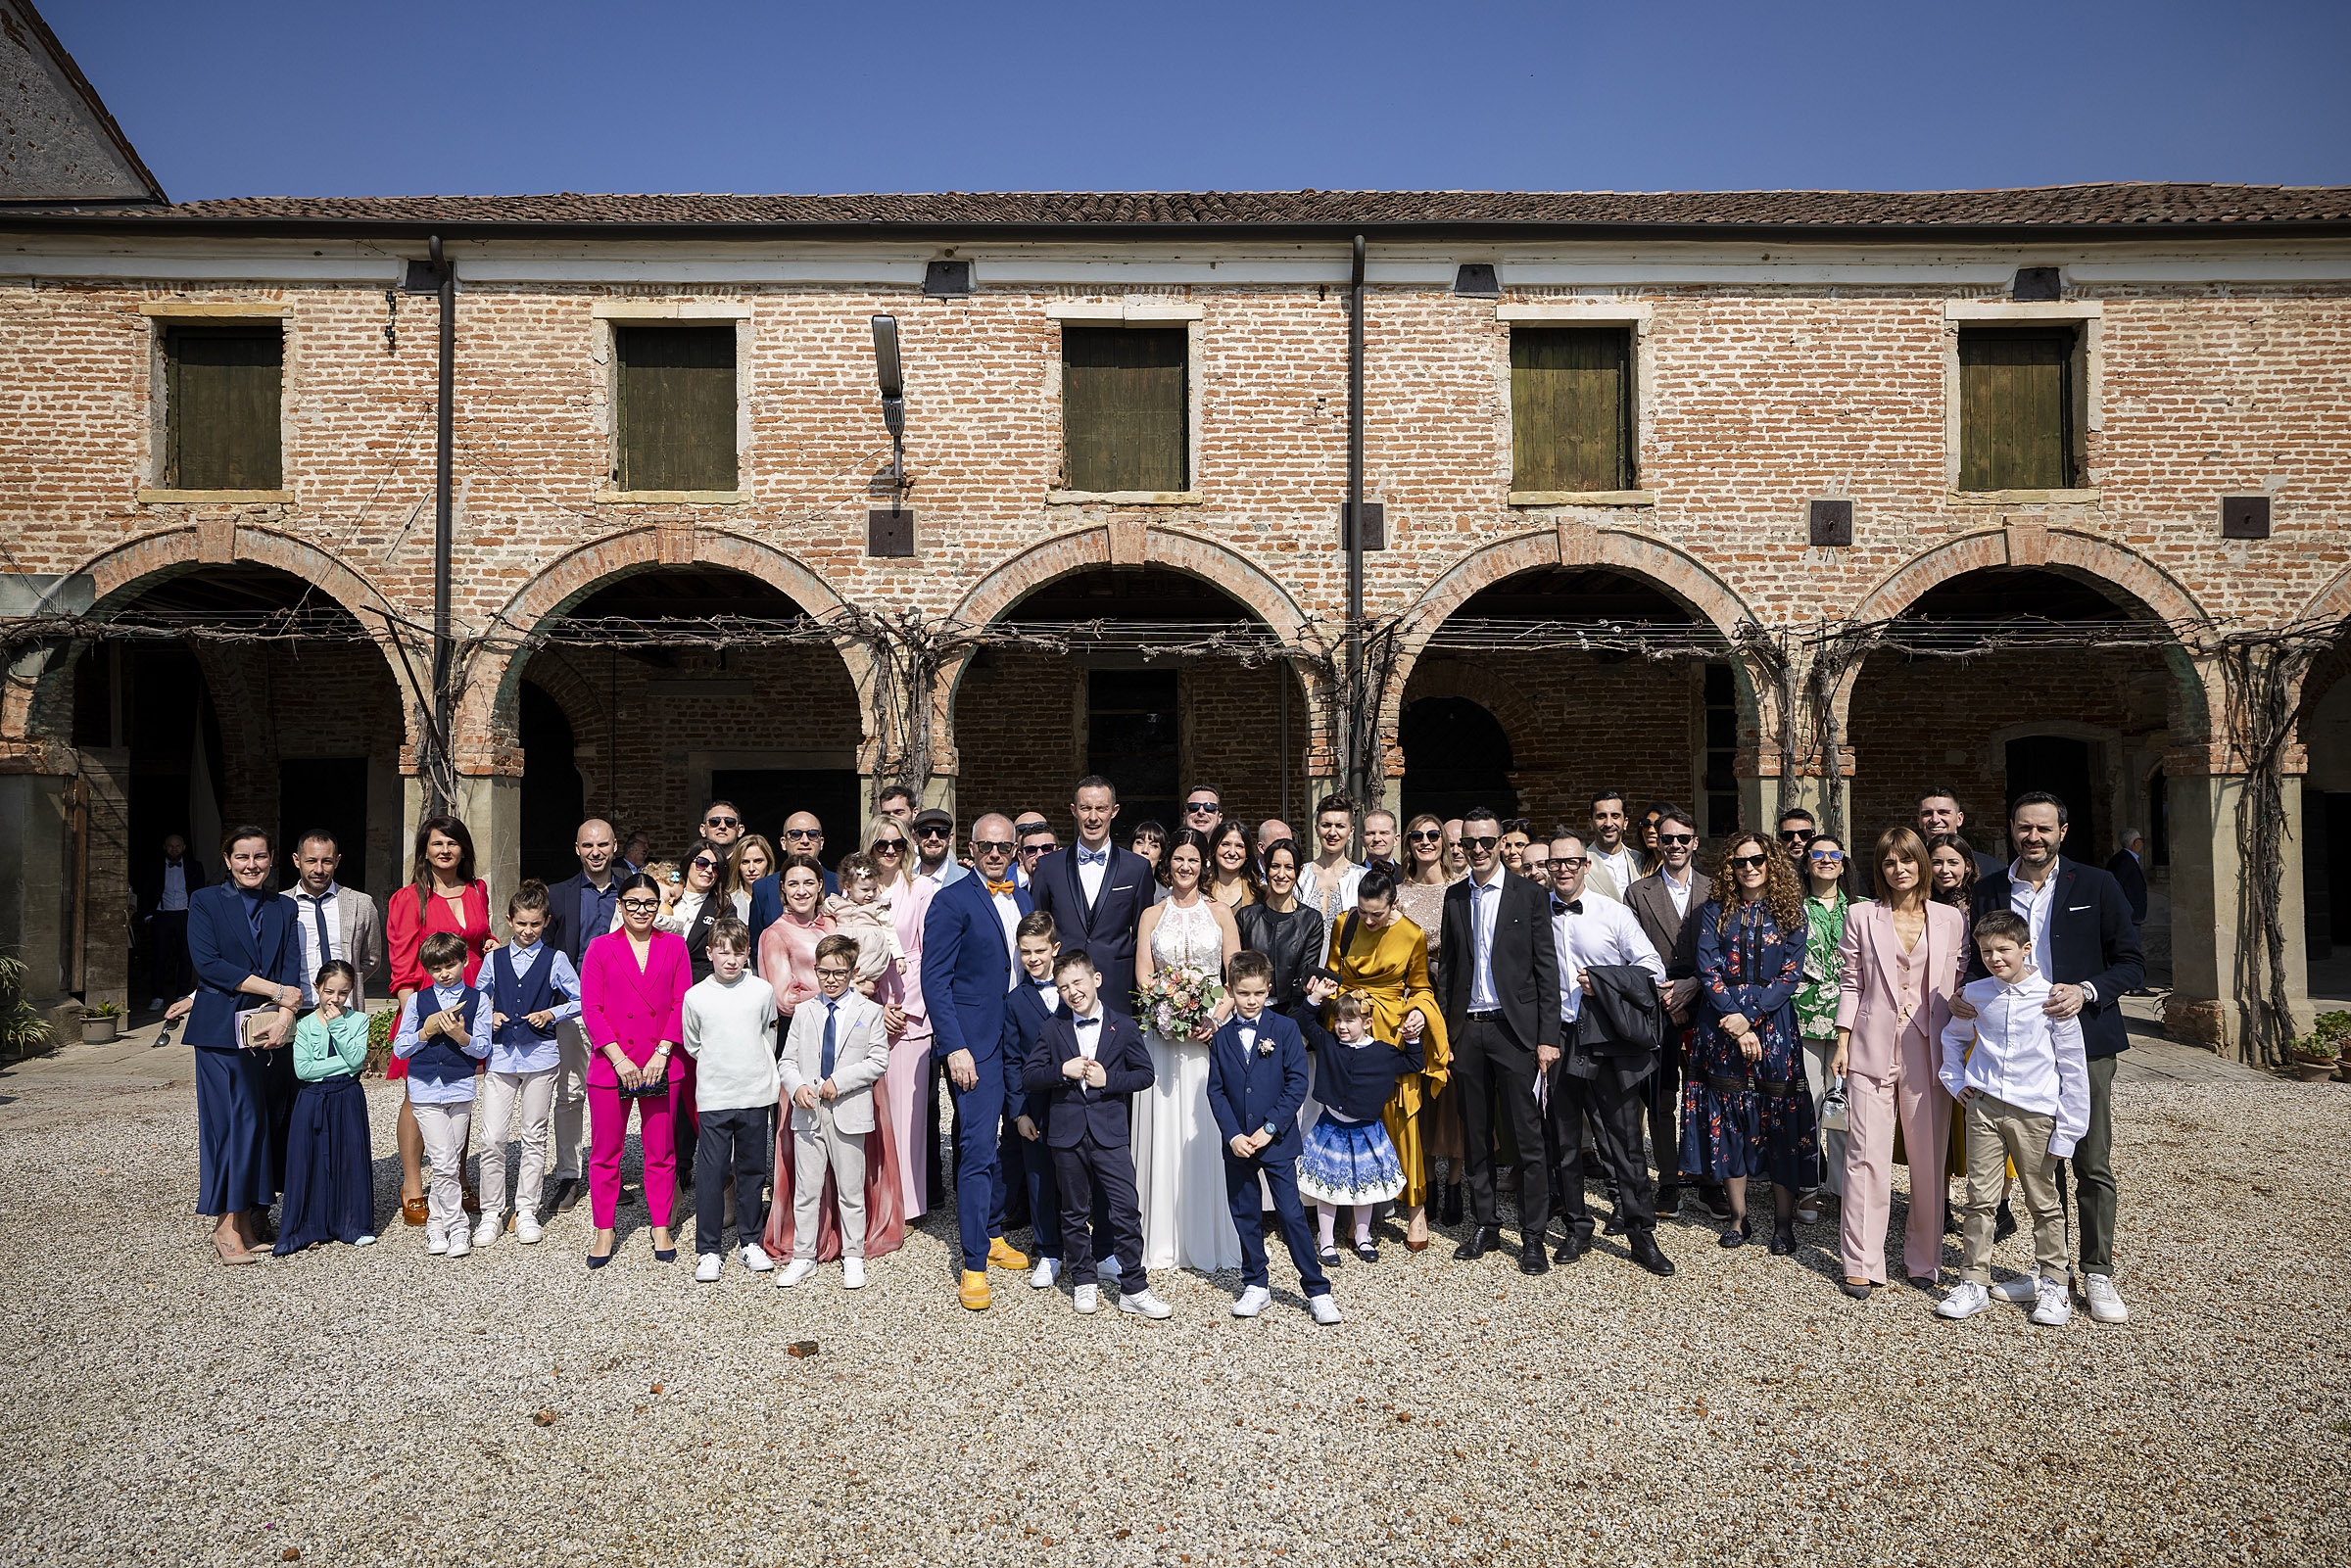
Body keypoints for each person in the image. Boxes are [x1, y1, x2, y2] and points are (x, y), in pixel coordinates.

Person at [1956, 791, 2143, 1324]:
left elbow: (2131, 964)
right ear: (2011, 830)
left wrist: (2086, 989)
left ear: (2063, 830)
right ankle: (2049, 1276)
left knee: (2091, 1158)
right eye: (2023, 828)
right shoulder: (1992, 888)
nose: (2033, 837)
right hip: (2019, 1052)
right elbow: (1981, 960)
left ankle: (2098, 1272)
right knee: (2040, 1164)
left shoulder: (2097, 884)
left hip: (2085, 1038)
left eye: (2043, 828)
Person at [1935, 910, 2089, 1327]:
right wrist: (1954, 1079)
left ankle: (2054, 1282)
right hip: (1984, 1106)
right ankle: (1973, 1282)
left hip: (2035, 1113)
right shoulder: (1977, 994)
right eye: (1986, 951)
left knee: (2044, 1201)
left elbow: (2073, 1067)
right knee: (1980, 1198)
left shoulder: (2051, 998)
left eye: (2003, 950)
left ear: (2025, 949)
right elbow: (1955, 1036)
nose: (1994, 958)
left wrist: (2068, 1131)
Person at [1832, 827, 1968, 1298]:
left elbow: (1962, 978)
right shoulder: (1861, 915)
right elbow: (1851, 980)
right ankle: (1862, 1259)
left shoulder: (1951, 919)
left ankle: (1924, 1258)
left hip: (1929, 1048)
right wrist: (1843, 1039)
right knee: (1865, 1157)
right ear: (1881, 869)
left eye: (1907, 860)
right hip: (1870, 1044)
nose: (1899, 869)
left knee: (1929, 1160)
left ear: (1922, 864)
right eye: (1889, 862)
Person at [1540, 833, 1676, 1276]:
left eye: (1572, 862)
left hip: (1605, 1039)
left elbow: (1652, 970)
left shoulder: (1614, 913)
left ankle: (1641, 1233)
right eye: (1555, 863)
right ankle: (1577, 1226)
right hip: (1554, 1038)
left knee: (1623, 1141)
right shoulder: (1532, 917)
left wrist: (1603, 981)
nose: (1563, 870)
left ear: (1585, 865)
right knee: (1563, 1142)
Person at [1683, 832, 1818, 1259]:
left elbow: (1791, 975)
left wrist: (1752, 1017)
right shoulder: (1713, 912)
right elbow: (1708, 969)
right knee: (1729, 1118)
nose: (1749, 868)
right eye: (1740, 862)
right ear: (1730, 868)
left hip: (1773, 1025)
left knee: (1777, 1117)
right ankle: (1739, 1217)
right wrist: (1738, 1025)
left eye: (1758, 860)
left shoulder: (1791, 912)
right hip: (1722, 1026)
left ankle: (1782, 1223)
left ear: (1771, 863)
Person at [920, 814, 1034, 1309]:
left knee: (1012, 1140)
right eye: (986, 846)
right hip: (976, 1044)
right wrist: (954, 1046)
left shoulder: (1023, 897)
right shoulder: (951, 901)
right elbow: (934, 980)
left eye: (1004, 846)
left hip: (1018, 1040)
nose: (995, 854)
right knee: (976, 1145)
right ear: (970, 848)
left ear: (1014, 849)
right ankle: (972, 1263)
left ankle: (992, 1231)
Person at [1439, 808, 1560, 1271]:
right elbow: (1448, 971)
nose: (1479, 850)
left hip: (1517, 1032)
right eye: (1470, 842)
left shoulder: (1529, 894)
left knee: (1527, 1135)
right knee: (1475, 1134)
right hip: (1468, 1030)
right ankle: (1486, 1223)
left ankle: (1532, 1235)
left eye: (1487, 842)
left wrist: (1546, 1037)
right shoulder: (1454, 897)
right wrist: (1448, 1036)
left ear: (1499, 843)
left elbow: (1546, 971)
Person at [1021, 949, 1162, 1318]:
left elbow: (1145, 1075)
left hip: (1110, 1132)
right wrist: (1061, 1070)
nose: (1072, 992)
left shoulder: (1125, 1026)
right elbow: (1029, 1076)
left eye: (1077, 982)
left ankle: (1134, 1286)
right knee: (1073, 1211)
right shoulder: (1052, 1028)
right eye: (1063, 986)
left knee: (1126, 1209)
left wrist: (1108, 1080)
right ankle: (1084, 1280)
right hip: (1066, 1134)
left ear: (1096, 980)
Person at [187, 826, 301, 1263]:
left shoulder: (284, 907)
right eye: (242, 857)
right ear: (227, 859)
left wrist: (286, 1017)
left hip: (267, 1033)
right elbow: (209, 964)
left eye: (259, 857)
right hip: (219, 1035)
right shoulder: (205, 902)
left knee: (256, 1127)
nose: (251, 865)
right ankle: (224, 1226)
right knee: (231, 1127)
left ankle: (246, 1220)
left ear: (272, 859)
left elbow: (292, 967)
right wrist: (276, 992)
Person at [1131, 828, 1243, 1272]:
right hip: (1162, 1038)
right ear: (1167, 864)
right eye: (1178, 859)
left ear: (1205, 866)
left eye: (1194, 860)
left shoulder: (1221, 914)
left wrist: (1214, 1017)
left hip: (1208, 1039)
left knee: (1207, 1126)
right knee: (1162, 1126)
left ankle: (1208, 1230)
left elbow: (1235, 977)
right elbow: (1143, 976)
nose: (1185, 867)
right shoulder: (1151, 915)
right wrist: (1165, 1009)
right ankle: (1161, 1235)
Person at [1208, 951, 1341, 1323]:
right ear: (1231, 990)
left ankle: (1316, 1288)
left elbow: (1298, 1083)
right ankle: (1256, 1283)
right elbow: (1215, 1092)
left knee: (1291, 1213)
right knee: (1245, 1213)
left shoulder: (1283, 1030)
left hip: (1277, 1142)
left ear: (1268, 989)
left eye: (1258, 994)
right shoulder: (1221, 1040)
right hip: (1237, 1145)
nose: (1251, 1001)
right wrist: (1233, 1135)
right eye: (1243, 993)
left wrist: (1270, 1128)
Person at [1328, 866, 1450, 1251]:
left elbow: (1420, 987)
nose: (1368, 919)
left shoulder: (1412, 934)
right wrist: (1343, 1011)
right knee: (1354, 1119)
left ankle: (1416, 1209)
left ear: (1393, 904)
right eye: (1363, 911)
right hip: (1352, 1029)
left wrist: (1418, 1011)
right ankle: (1354, 1211)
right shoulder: (1344, 923)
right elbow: (1333, 977)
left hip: (1394, 1033)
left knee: (1402, 1121)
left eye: (1376, 914)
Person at [386, 814, 494, 1229]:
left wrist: (488, 944)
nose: (445, 850)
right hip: (426, 1005)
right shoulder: (409, 898)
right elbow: (401, 964)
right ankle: (413, 1186)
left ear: (463, 848)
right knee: (420, 1096)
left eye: (452, 843)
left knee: (459, 1092)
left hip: (469, 1001)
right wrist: (420, 1019)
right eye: (436, 844)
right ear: (424, 851)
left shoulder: (477, 890)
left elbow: (477, 938)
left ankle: (458, 1176)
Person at [579, 872, 692, 1268]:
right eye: (632, 903)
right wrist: (619, 1058)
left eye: (648, 903)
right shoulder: (599, 948)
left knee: (660, 1149)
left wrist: (663, 1051)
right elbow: (590, 1008)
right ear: (620, 906)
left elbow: (682, 1002)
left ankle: (660, 1223)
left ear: (658, 906)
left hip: (661, 1061)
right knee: (606, 1151)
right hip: (613, 1064)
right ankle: (604, 1228)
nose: (641, 910)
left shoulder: (674, 946)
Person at [774, 933, 893, 1290]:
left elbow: (877, 1060)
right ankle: (803, 1256)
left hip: (848, 1108)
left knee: (850, 1188)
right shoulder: (805, 1010)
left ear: (853, 972)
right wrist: (796, 1087)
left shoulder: (869, 1012)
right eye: (823, 972)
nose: (830, 979)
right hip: (809, 1111)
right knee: (807, 1188)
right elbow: (788, 1059)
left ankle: (853, 1255)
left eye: (839, 973)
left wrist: (839, 1082)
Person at [474, 880, 579, 1247]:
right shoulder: (493, 959)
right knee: (493, 1137)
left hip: (540, 1056)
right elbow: (477, 997)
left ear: (545, 922)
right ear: (509, 921)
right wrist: (487, 1015)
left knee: (534, 1135)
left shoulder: (556, 959)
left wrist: (551, 1012)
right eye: (521, 924)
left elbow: (580, 999)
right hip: (502, 1056)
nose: (528, 931)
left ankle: (527, 1210)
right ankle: (491, 1212)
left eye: (535, 924)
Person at [683, 916, 779, 1281]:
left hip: (754, 1092)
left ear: (747, 953)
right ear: (709, 952)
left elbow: (767, 1033)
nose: (730, 959)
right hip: (715, 1095)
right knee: (712, 1172)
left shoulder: (762, 991)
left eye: (737, 952)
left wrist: (756, 1064)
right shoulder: (696, 996)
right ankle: (708, 1249)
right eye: (722, 951)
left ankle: (750, 1241)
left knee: (753, 1169)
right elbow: (693, 1043)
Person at [1624, 804, 1706, 1220]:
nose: (1674, 845)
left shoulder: (1716, 889)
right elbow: (1631, 952)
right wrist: (1665, 996)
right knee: (1659, 1096)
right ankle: (1669, 1180)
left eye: (1682, 838)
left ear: (1694, 842)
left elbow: (1727, 950)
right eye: (1667, 837)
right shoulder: (1638, 893)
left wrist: (1694, 986)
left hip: (1708, 1002)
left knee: (1708, 1093)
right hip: (1657, 1005)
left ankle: (1710, 1181)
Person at [1296, 988, 1417, 1270]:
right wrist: (1316, 997)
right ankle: (1325, 1240)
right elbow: (1305, 1020)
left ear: (1367, 1023)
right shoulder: (1328, 1044)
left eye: (1349, 1021)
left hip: (1366, 1132)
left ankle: (1363, 1236)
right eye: (1338, 1020)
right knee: (1327, 1186)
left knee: (1365, 1187)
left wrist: (1412, 1039)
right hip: (1331, 1129)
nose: (1341, 1026)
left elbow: (1413, 1063)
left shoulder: (1383, 1053)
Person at [393, 930, 495, 1258]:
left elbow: (484, 1046)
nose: (444, 973)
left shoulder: (479, 999)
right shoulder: (419, 1000)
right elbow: (400, 1046)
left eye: (450, 965)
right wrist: (426, 1031)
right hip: (423, 1089)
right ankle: (459, 1227)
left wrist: (461, 1036)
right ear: (427, 970)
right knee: (443, 1160)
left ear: (464, 962)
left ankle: (437, 1224)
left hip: (460, 1086)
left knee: (448, 1161)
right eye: (436, 969)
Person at [543, 817, 622, 1218]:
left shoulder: (634, 890)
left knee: (619, 1093)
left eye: (603, 845)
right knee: (571, 1093)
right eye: (588, 845)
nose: (595, 852)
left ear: (614, 846)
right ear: (577, 849)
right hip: (574, 1009)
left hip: (622, 1009)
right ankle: (570, 1174)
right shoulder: (558, 896)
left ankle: (611, 1173)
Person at [1031, 776, 1156, 1012]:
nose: (1093, 817)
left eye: (1101, 809)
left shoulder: (1137, 869)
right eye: (1085, 808)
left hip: (1117, 989)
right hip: (1062, 991)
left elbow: (1142, 936)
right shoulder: (1048, 867)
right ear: (1074, 810)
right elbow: (1040, 930)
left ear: (1114, 811)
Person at [274, 959, 375, 1254]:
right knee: (311, 1160)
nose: (335, 999)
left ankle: (352, 1224)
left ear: (351, 993)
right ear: (317, 988)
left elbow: (356, 1062)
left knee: (349, 1158)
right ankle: (310, 1225)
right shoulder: (304, 1024)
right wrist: (343, 1064)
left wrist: (338, 1027)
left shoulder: (358, 1021)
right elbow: (304, 1070)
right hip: (312, 1099)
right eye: (329, 991)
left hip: (347, 1097)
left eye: (343, 993)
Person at [863, 816, 936, 1219]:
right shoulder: (856, 890)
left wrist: (905, 1010)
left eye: (896, 844)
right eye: (881, 845)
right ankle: (873, 1200)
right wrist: (875, 1009)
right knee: (870, 1112)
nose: (890, 851)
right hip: (868, 1005)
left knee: (908, 1115)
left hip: (911, 1010)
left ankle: (907, 1205)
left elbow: (929, 955)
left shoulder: (920, 888)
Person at [1392, 812, 1463, 1222]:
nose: (1426, 841)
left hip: (1453, 995)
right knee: (1417, 1086)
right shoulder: (1399, 894)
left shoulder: (1460, 890)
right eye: (1417, 835)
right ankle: (1426, 1181)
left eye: (1433, 835)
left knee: (1452, 1089)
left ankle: (1454, 1182)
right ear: (1408, 843)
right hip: (1413, 996)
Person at [1003, 912, 1071, 1289]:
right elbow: (1012, 1060)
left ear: (1054, 949)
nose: (1033, 958)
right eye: (1025, 951)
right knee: (1040, 1176)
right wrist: (1019, 1112)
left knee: (1076, 1177)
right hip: (1036, 1105)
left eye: (1040, 950)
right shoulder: (1015, 1001)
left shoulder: (1072, 991)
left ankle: (1086, 1247)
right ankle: (1047, 1250)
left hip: (1076, 1102)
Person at [1794, 834, 1852, 1219]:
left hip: (1851, 1019)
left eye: (1834, 854)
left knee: (1848, 1107)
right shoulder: (1792, 909)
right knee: (1810, 1105)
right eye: (1819, 854)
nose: (1827, 860)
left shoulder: (1863, 909)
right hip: (1804, 1017)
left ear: (1844, 863)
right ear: (1807, 861)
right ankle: (1807, 1186)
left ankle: (1846, 1190)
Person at [282, 829, 382, 1008]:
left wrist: (344, 986)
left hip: (346, 1008)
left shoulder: (361, 904)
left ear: (337, 861)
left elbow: (371, 959)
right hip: (295, 1008)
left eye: (326, 861)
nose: (319, 869)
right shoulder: (280, 904)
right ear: (297, 860)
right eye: (311, 861)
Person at [1235, 838, 1324, 1015]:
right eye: (1275, 866)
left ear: (1298, 872)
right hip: (1249, 1008)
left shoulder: (1311, 920)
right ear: (1267, 869)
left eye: (1289, 868)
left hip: (1291, 1011)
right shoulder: (1247, 916)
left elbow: (1303, 978)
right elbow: (1235, 969)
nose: (1281, 874)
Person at [755, 856, 836, 1033]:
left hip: (845, 1027)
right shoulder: (775, 934)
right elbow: (784, 1000)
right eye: (793, 884)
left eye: (808, 883)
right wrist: (840, 993)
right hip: (803, 1031)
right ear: (783, 887)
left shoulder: (835, 923)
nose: (801, 891)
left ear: (820, 885)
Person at [661, 838, 749, 985]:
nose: (709, 870)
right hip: (660, 981)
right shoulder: (667, 895)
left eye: (716, 867)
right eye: (702, 863)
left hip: (699, 983)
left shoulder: (723, 908)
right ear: (689, 862)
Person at [750, 811, 840, 953]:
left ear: (821, 842)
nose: (805, 840)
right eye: (795, 834)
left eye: (812, 834)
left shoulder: (840, 884)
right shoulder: (762, 888)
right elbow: (756, 948)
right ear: (783, 843)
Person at [137, 832, 208, 1010]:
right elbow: (146, 891)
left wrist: (198, 916)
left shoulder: (195, 866)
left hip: (186, 915)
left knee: (186, 955)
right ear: (164, 847)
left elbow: (200, 891)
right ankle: (157, 996)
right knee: (160, 956)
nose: (174, 849)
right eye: (170, 846)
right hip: (162, 916)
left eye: (177, 846)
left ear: (184, 848)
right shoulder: (155, 867)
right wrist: (148, 916)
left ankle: (182, 994)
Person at [825, 850, 907, 999]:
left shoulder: (876, 907)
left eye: (874, 889)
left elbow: (888, 930)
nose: (870, 894)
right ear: (848, 886)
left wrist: (899, 955)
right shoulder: (837, 904)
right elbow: (819, 912)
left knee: (864, 988)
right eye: (865, 890)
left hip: (869, 955)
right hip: (846, 951)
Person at [1299, 794, 1364, 927]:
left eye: (1340, 826)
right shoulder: (1300, 875)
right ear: (1317, 829)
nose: (1332, 833)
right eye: (1326, 825)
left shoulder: (1362, 877)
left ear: (1351, 831)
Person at [1919, 789, 2005, 878]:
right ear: (1919, 821)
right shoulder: (1911, 866)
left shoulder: (1991, 869)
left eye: (1943, 812)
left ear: (1959, 819)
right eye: (1927, 814)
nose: (1935, 819)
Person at [1588, 791, 1641, 896]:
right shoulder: (1580, 864)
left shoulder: (1640, 860)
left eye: (1615, 816)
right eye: (1601, 816)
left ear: (1625, 823)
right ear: (1591, 823)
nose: (1608, 823)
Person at [1206, 819, 1263, 911]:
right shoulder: (1200, 890)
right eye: (1225, 844)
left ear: (1247, 853)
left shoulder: (1260, 893)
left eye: (1239, 846)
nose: (1232, 852)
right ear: (1214, 848)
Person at [912, 807, 969, 890]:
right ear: (915, 838)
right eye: (926, 831)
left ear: (950, 838)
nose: (933, 838)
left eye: (942, 832)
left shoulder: (966, 881)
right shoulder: (903, 881)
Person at [1927, 832, 1980, 913]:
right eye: (1937, 862)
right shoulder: (1917, 902)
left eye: (1953, 863)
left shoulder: (1978, 903)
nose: (1944, 870)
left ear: (1968, 866)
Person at [2107, 830, 2150, 925]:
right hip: (2127, 918)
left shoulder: (2121, 859)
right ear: (2136, 842)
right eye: (2141, 840)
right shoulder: (2125, 861)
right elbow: (2116, 886)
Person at [728, 833, 776, 903]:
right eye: (745, 862)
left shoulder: (781, 899)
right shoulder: (727, 902)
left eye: (758, 861)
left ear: (768, 863)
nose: (751, 868)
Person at [1361, 809, 1400, 878]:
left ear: (1396, 839)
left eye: (1384, 833)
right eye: (1371, 834)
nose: (1377, 839)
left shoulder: (1408, 877)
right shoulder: (1351, 878)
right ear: (1362, 840)